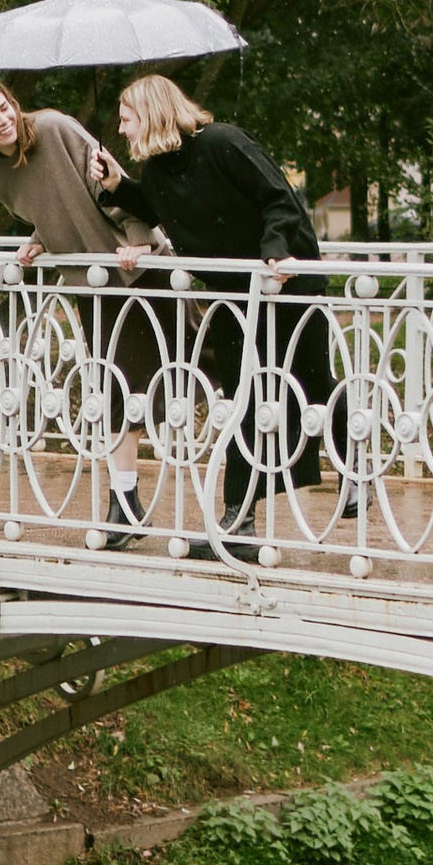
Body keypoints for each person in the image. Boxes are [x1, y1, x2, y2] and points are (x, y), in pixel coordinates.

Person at [111, 75, 350, 552]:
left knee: (314, 384)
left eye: (126, 119)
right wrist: (118, 186)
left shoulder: (222, 142)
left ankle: (356, 471)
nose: (121, 130)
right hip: (232, 294)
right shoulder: (158, 170)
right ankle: (238, 520)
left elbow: (279, 199)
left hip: (286, 280)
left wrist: (276, 253)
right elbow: (159, 206)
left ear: (153, 114)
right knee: (245, 398)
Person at [0, 75, 164, 544]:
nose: (3, 121)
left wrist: (142, 242)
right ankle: (126, 504)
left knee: (204, 373)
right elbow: (53, 206)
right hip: (95, 284)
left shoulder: (56, 128)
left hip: (139, 268)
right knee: (115, 390)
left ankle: (293, 457)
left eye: (4, 108)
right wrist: (40, 238)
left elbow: (115, 186)